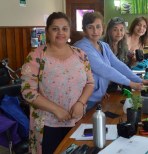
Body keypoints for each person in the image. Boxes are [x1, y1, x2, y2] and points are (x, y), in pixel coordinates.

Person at [21, 12, 95, 154]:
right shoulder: (36, 56)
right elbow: (28, 91)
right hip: (46, 123)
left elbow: (90, 82)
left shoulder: (80, 54)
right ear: (47, 31)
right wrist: (57, 110)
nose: (60, 32)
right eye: (55, 28)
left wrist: (80, 103)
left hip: (76, 120)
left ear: (69, 31)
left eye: (65, 29)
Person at [73, 12, 148, 111]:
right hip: (83, 100)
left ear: (102, 28)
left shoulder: (104, 46)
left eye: (98, 27)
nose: (95, 31)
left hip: (97, 97)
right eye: (90, 27)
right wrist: (131, 83)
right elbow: (104, 69)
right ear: (84, 28)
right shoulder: (81, 47)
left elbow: (119, 65)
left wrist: (139, 80)